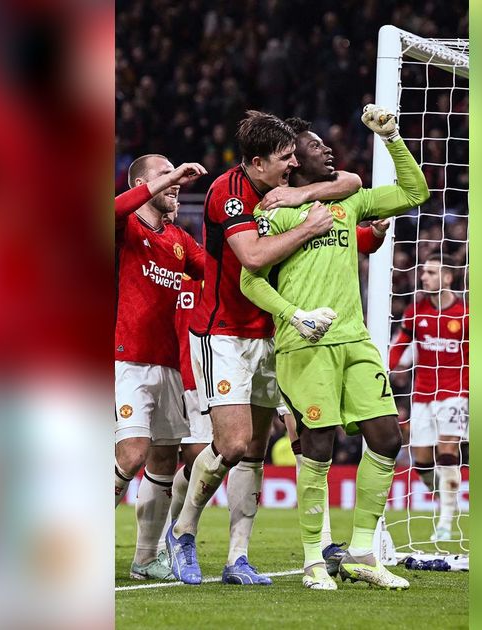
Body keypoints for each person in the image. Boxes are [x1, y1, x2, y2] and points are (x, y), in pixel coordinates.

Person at [168, 110, 369, 586]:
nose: (292, 163)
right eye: (284, 159)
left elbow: (354, 181)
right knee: (233, 444)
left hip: (275, 333)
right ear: (256, 164)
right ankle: (182, 532)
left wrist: (302, 193)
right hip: (225, 332)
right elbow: (253, 258)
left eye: (295, 157)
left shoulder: (288, 185)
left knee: (256, 449)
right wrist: (308, 227)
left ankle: (238, 557)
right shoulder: (228, 191)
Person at [240, 104, 428, 590]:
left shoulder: (349, 204)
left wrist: (392, 138)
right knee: (317, 448)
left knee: (387, 438)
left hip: (354, 338)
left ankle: (363, 551)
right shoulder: (277, 213)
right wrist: (294, 316)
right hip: (305, 343)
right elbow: (250, 280)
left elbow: (415, 191)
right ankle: (312, 560)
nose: (327, 149)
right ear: (293, 161)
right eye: (315, 146)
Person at [113, 156, 207, 581]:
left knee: (164, 459)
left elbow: (215, 270)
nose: (176, 186)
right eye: (165, 177)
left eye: (176, 180)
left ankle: (146, 558)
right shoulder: (126, 228)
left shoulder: (178, 239)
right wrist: (170, 177)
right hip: (124, 358)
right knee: (131, 454)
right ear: (141, 183)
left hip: (167, 363)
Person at [388, 256, 469, 542]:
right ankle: (449, 499)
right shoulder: (415, 311)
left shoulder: (465, 314)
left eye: (431, 272)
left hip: (456, 393)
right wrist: (386, 369)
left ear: (447, 278)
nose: (424, 277)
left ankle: (445, 523)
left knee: (447, 452)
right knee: (421, 462)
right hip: (422, 394)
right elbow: (400, 344)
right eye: (423, 272)